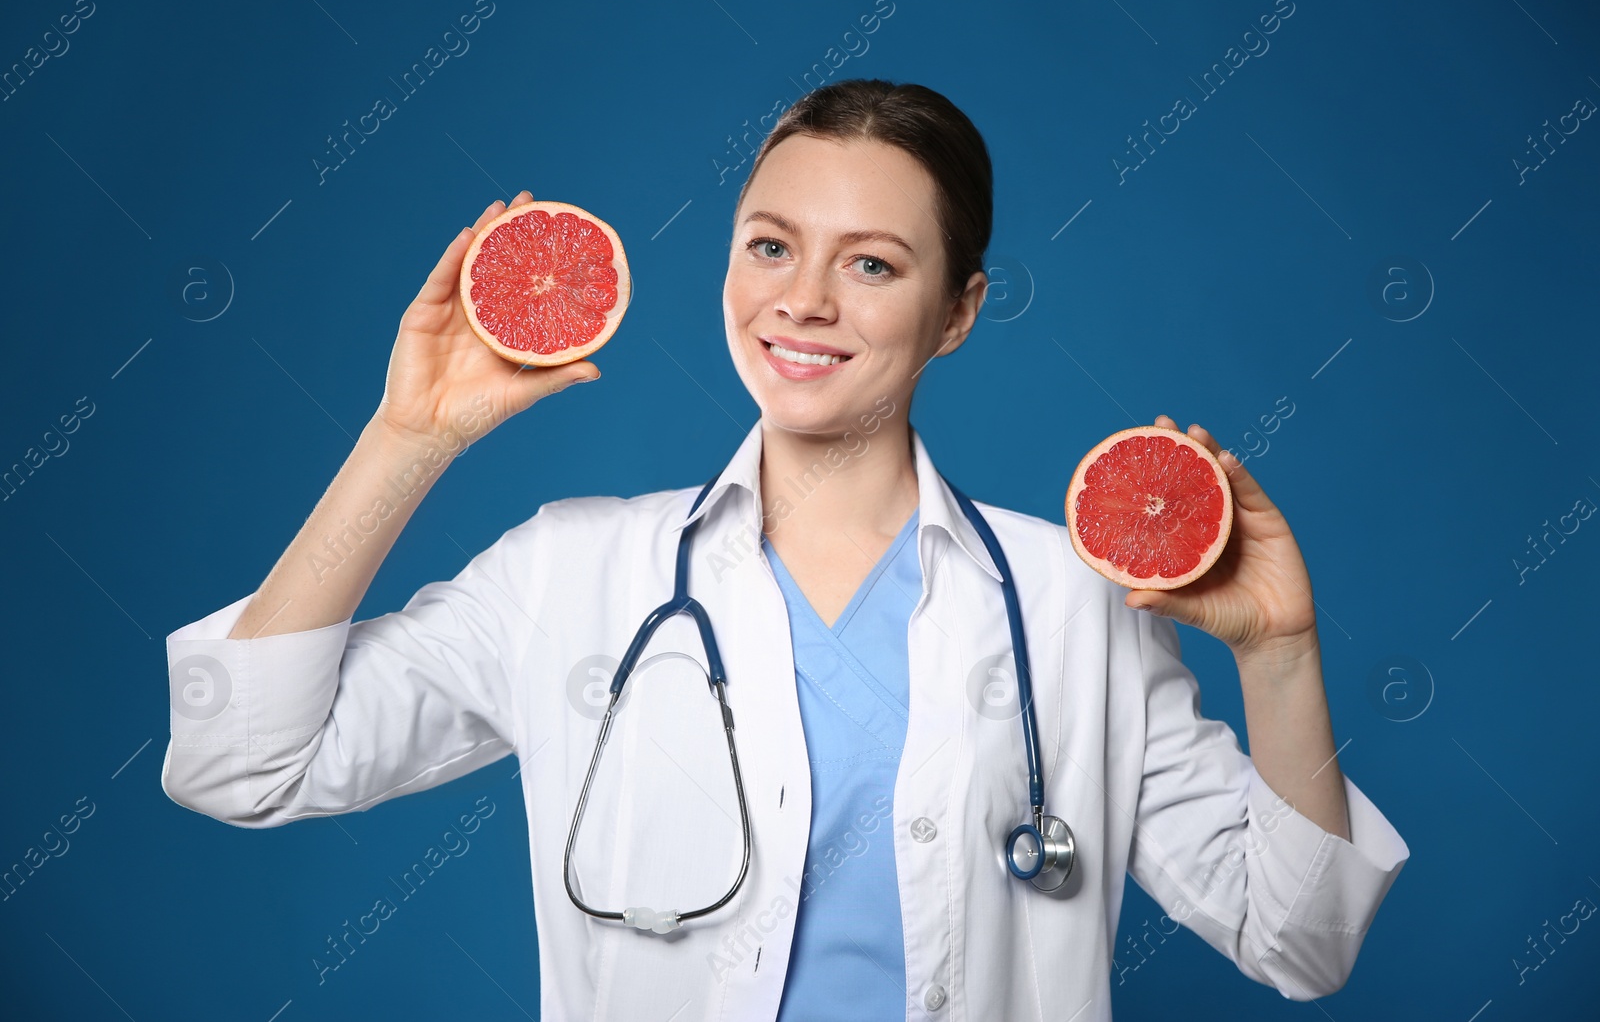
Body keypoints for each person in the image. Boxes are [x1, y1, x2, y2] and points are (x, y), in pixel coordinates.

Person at [161, 78, 1408, 1020]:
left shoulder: (1068, 604)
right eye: (770, 244)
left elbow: (1295, 941)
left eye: (870, 263)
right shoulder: (572, 573)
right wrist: (406, 437)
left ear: (958, 312)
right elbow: (241, 761)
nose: (801, 299)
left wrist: (1281, 654)